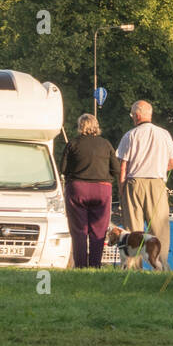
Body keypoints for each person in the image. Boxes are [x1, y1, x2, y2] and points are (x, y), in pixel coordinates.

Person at [116, 100, 173, 271]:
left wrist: (121, 189)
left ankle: (134, 268)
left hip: (134, 183)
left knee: (133, 229)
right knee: (160, 228)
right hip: (157, 184)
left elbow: (123, 167)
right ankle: (161, 265)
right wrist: (159, 167)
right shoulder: (164, 134)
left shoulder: (130, 135)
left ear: (136, 116)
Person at [61, 113, 121, 268]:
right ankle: (95, 265)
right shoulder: (106, 144)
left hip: (77, 189)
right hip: (102, 189)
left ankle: (80, 266)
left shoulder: (73, 144)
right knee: (99, 231)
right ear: (96, 126)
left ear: (80, 126)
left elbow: (63, 169)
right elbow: (116, 169)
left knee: (79, 231)